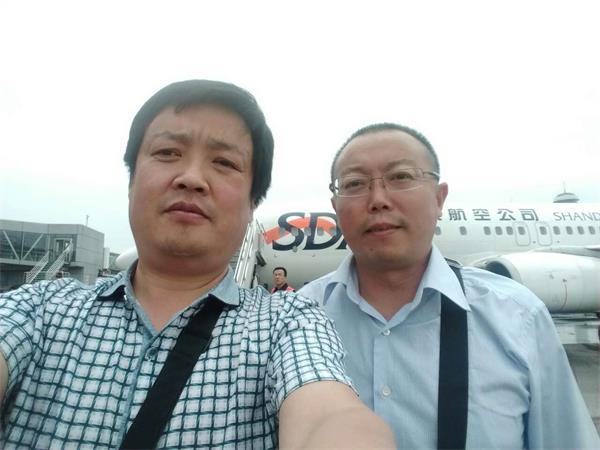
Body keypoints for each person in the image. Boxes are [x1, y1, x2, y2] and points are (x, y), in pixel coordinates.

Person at [0, 81, 394, 449]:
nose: (191, 178)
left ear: (252, 205)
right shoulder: (39, 309)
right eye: (167, 153)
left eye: (223, 162)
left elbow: (328, 413)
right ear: (131, 182)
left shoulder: (288, 323)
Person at [300, 122, 600, 449]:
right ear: (335, 208)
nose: (378, 200)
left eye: (401, 176)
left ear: (439, 198)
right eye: (355, 183)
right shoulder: (297, 322)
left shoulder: (518, 316)